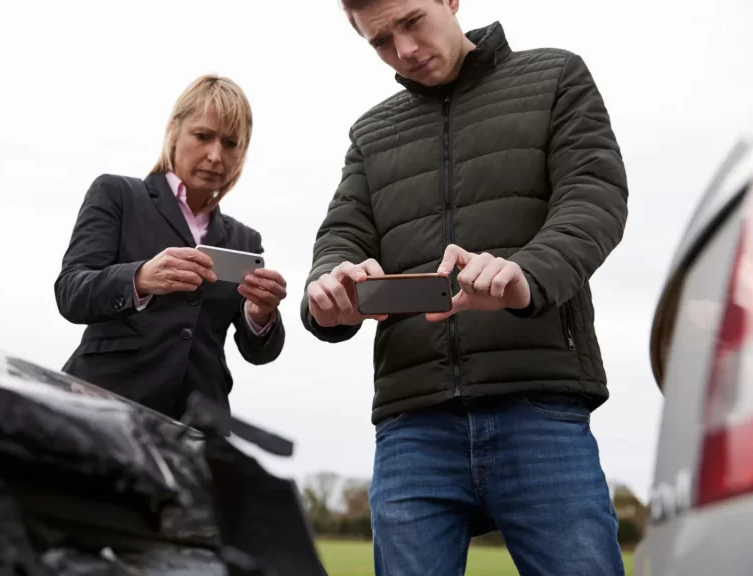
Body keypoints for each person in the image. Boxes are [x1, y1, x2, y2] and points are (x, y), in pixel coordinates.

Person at [301, 1, 629, 574]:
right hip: (412, 425)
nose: (402, 50)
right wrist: (329, 286)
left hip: (539, 405)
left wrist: (527, 273)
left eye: (411, 21)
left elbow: (594, 198)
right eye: (379, 41)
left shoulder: (556, 76)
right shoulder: (371, 132)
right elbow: (341, 236)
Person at [56, 74, 287, 421]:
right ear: (174, 130)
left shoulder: (245, 241)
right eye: (203, 136)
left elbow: (258, 352)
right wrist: (140, 278)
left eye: (230, 143)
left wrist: (261, 316)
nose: (215, 155)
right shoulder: (117, 195)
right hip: (101, 408)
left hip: (194, 427)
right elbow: (70, 292)